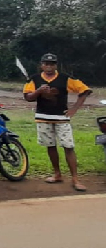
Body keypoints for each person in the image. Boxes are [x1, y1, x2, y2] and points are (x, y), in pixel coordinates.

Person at [23, 53, 92, 192]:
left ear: (56, 65)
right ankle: (57, 174)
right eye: (46, 64)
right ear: (41, 65)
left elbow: (85, 90)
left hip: (62, 119)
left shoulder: (65, 78)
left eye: (52, 64)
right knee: (50, 146)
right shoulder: (34, 79)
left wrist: (74, 109)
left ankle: (75, 179)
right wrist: (39, 91)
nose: (49, 66)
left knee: (68, 146)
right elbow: (28, 97)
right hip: (43, 117)